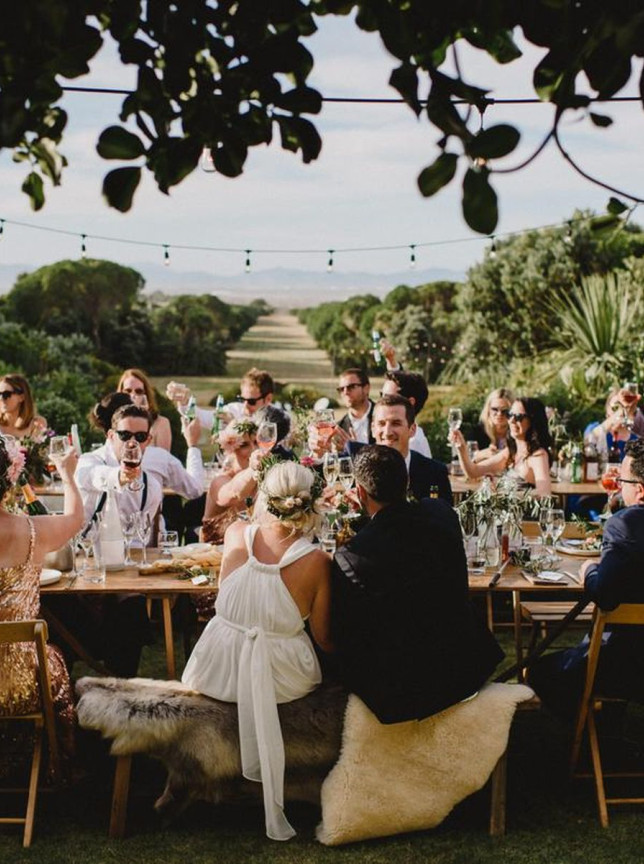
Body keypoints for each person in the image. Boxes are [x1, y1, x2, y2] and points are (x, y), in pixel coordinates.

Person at [182, 461, 333, 841]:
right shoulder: (317, 561)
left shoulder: (235, 532)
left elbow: (225, 598)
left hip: (216, 670)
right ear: (311, 504)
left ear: (264, 497)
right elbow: (324, 636)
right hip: (280, 678)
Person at [331, 445, 503, 723]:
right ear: (407, 481)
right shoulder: (442, 513)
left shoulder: (351, 556)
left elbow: (344, 635)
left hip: (405, 694)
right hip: (465, 669)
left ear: (360, 492)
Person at [528, 439, 644, 720]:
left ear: (639, 490)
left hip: (626, 668)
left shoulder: (627, 524)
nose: (618, 487)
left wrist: (589, 570)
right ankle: (610, 727)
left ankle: (576, 744)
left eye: (623, 481)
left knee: (539, 671)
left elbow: (604, 594)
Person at [0, 435, 83, 777]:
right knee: (56, 660)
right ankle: (49, 765)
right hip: (23, 686)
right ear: (9, 480)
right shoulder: (33, 531)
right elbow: (76, 518)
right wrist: (67, 475)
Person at [349, 394, 452, 504]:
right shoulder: (357, 471)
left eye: (396, 423)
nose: (387, 432)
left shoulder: (435, 472)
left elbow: (445, 518)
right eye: (382, 423)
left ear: (412, 430)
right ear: (373, 429)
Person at [76, 404, 164, 529]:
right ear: (111, 436)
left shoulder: (152, 487)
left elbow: (138, 540)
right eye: (125, 435)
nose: (132, 442)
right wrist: (119, 477)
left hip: (126, 548)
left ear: (148, 441)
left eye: (140, 437)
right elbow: (95, 476)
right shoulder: (90, 461)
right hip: (85, 547)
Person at [450, 396, 552, 496]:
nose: (511, 421)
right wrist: (461, 448)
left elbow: (544, 493)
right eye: (510, 415)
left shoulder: (538, 456)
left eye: (518, 417)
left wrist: (503, 494)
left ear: (533, 421)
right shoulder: (511, 452)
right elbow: (473, 471)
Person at [201, 419, 259, 544]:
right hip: (215, 558)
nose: (254, 449)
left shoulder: (264, 483)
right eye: (244, 445)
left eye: (256, 442)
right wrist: (254, 468)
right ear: (229, 450)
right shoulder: (220, 481)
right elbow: (234, 493)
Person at [167, 367, 274, 428]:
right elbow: (202, 417)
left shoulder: (279, 420)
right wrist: (185, 402)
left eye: (251, 401)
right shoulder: (234, 410)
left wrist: (234, 424)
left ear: (268, 399)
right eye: (242, 399)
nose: (245, 405)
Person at [381, 369, 432, 457]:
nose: (381, 402)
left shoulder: (411, 442)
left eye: (388, 398)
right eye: (381, 395)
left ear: (410, 402)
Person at [117, 368, 172, 450]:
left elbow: (163, 459)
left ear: (146, 394)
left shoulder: (161, 423)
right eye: (128, 391)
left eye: (138, 391)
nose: (133, 395)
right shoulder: (115, 422)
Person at [0, 374, 47, 440]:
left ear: (21, 397)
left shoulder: (37, 424)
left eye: (6, 394)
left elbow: (40, 449)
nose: (1, 398)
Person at [472, 387, 514, 459]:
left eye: (504, 411)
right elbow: (463, 458)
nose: (499, 414)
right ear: (488, 409)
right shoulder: (477, 432)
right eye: (494, 409)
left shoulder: (518, 432)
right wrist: (479, 455)